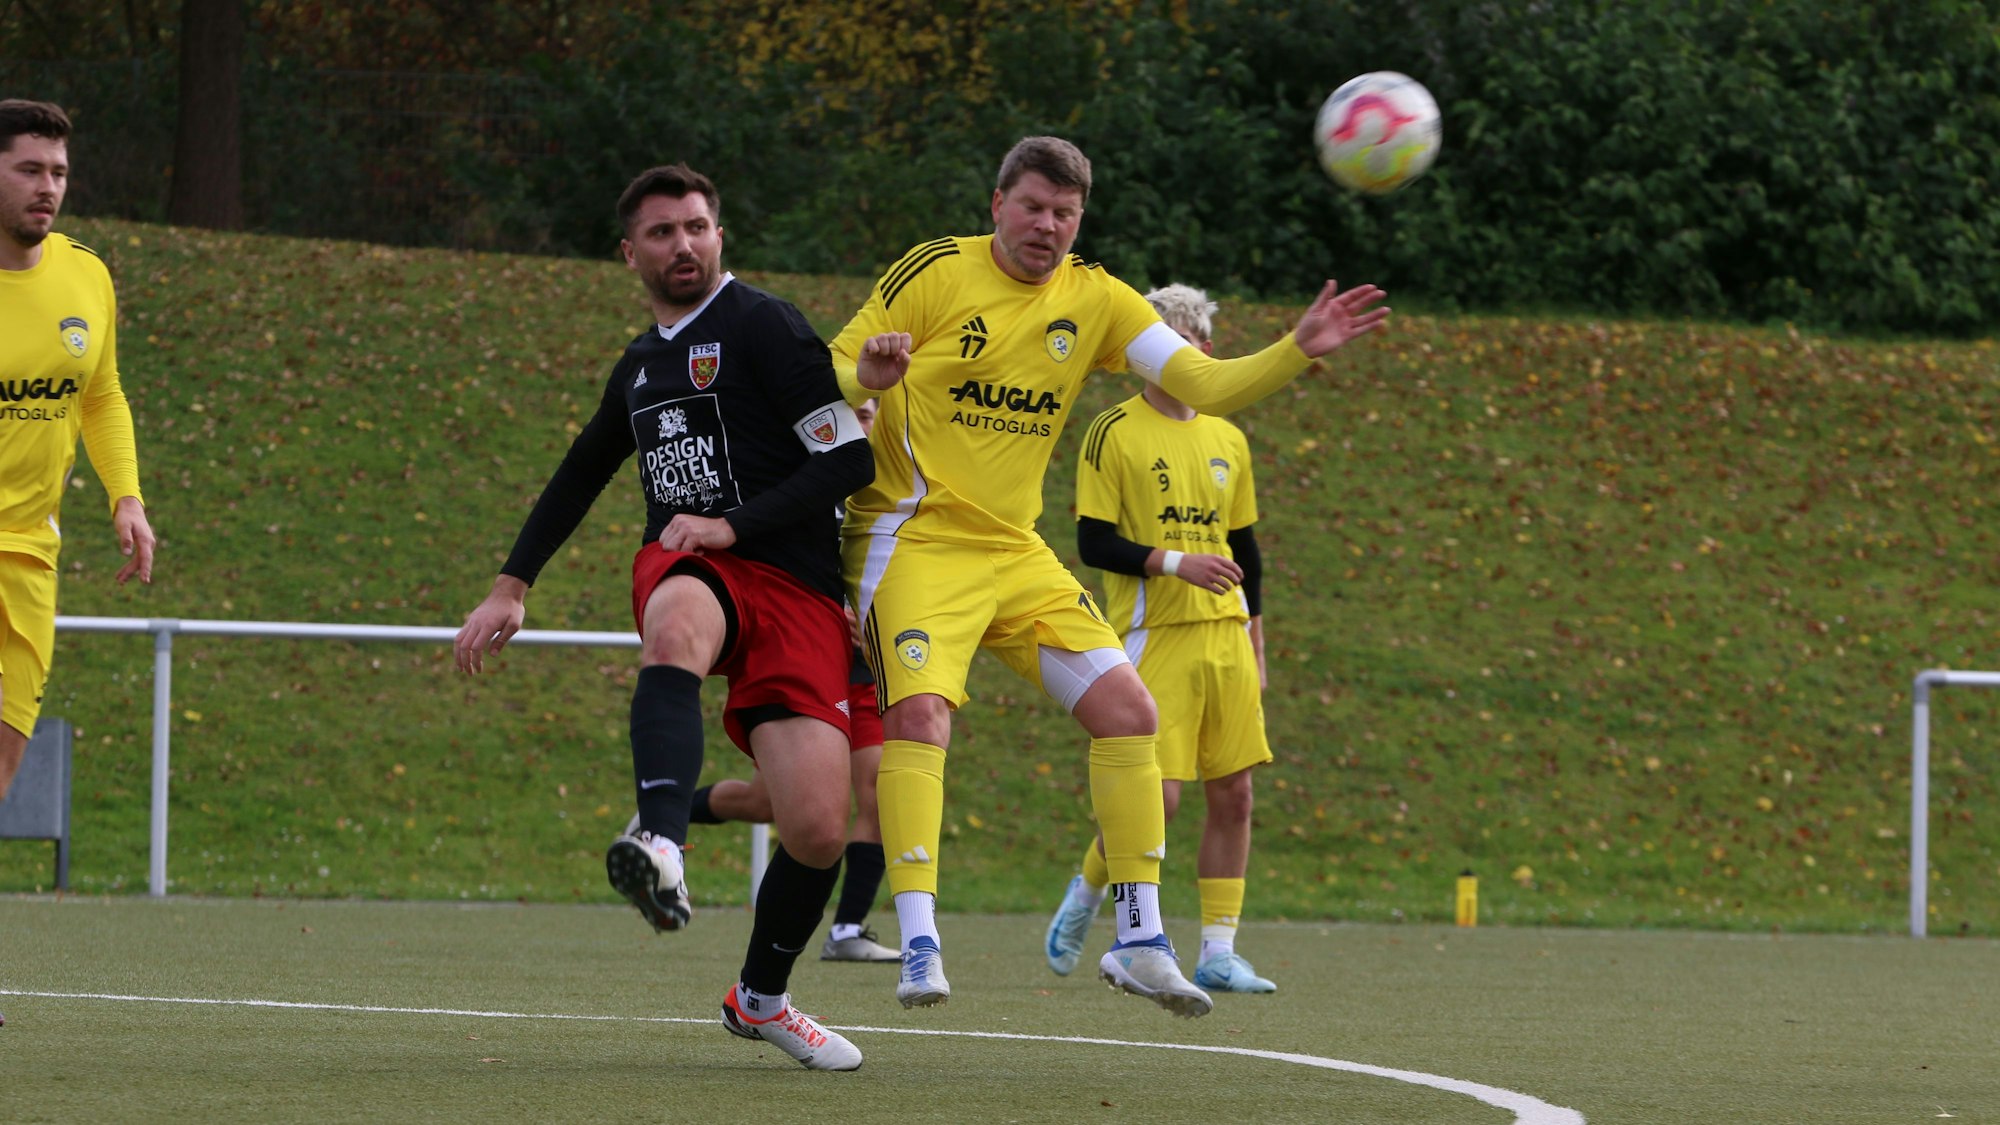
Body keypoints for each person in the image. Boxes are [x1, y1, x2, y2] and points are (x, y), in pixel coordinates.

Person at [832, 136, 1387, 1017]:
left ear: (1079, 219)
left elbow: (1200, 378)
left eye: (1065, 213)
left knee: (1131, 710)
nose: (1047, 225)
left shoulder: (1096, 298)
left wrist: (1294, 346)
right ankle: (919, 937)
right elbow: (833, 363)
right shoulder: (935, 272)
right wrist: (866, 377)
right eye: (1033, 206)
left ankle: (1136, 939)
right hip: (911, 538)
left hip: (1014, 550)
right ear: (997, 204)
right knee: (920, 713)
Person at [453, 163, 875, 1070]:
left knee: (816, 828)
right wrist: (511, 583)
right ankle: (661, 838)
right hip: (694, 567)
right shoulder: (639, 367)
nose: (682, 244)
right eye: (660, 232)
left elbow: (847, 462)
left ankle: (760, 998)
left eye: (695, 226)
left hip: (796, 587)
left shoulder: (764, 325)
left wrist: (735, 521)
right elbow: (579, 473)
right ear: (630, 253)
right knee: (676, 621)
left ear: (720, 234)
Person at [1045, 284, 1278, 995]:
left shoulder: (1226, 437)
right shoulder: (1114, 431)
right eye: (1160, 346)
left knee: (1234, 792)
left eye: (1187, 345)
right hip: (1155, 633)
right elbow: (1092, 540)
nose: (1174, 357)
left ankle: (1218, 950)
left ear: (1203, 351)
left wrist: (1257, 637)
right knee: (1163, 797)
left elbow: (1247, 549)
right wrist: (1177, 562)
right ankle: (1085, 896)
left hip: (1227, 637)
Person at [689, 398, 901, 964]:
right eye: (850, 403)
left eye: (872, 404)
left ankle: (848, 928)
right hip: (813, 653)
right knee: (769, 805)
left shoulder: (897, 479)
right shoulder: (798, 477)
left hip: (876, 663)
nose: (864, 411)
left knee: (883, 793)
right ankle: (666, 815)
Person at [0, 99, 156, 802]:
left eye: (58, 171)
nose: (48, 187)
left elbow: (102, 393)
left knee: (4, 755)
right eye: (29, 168)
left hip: (32, 552)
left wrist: (126, 495)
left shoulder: (87, 276)